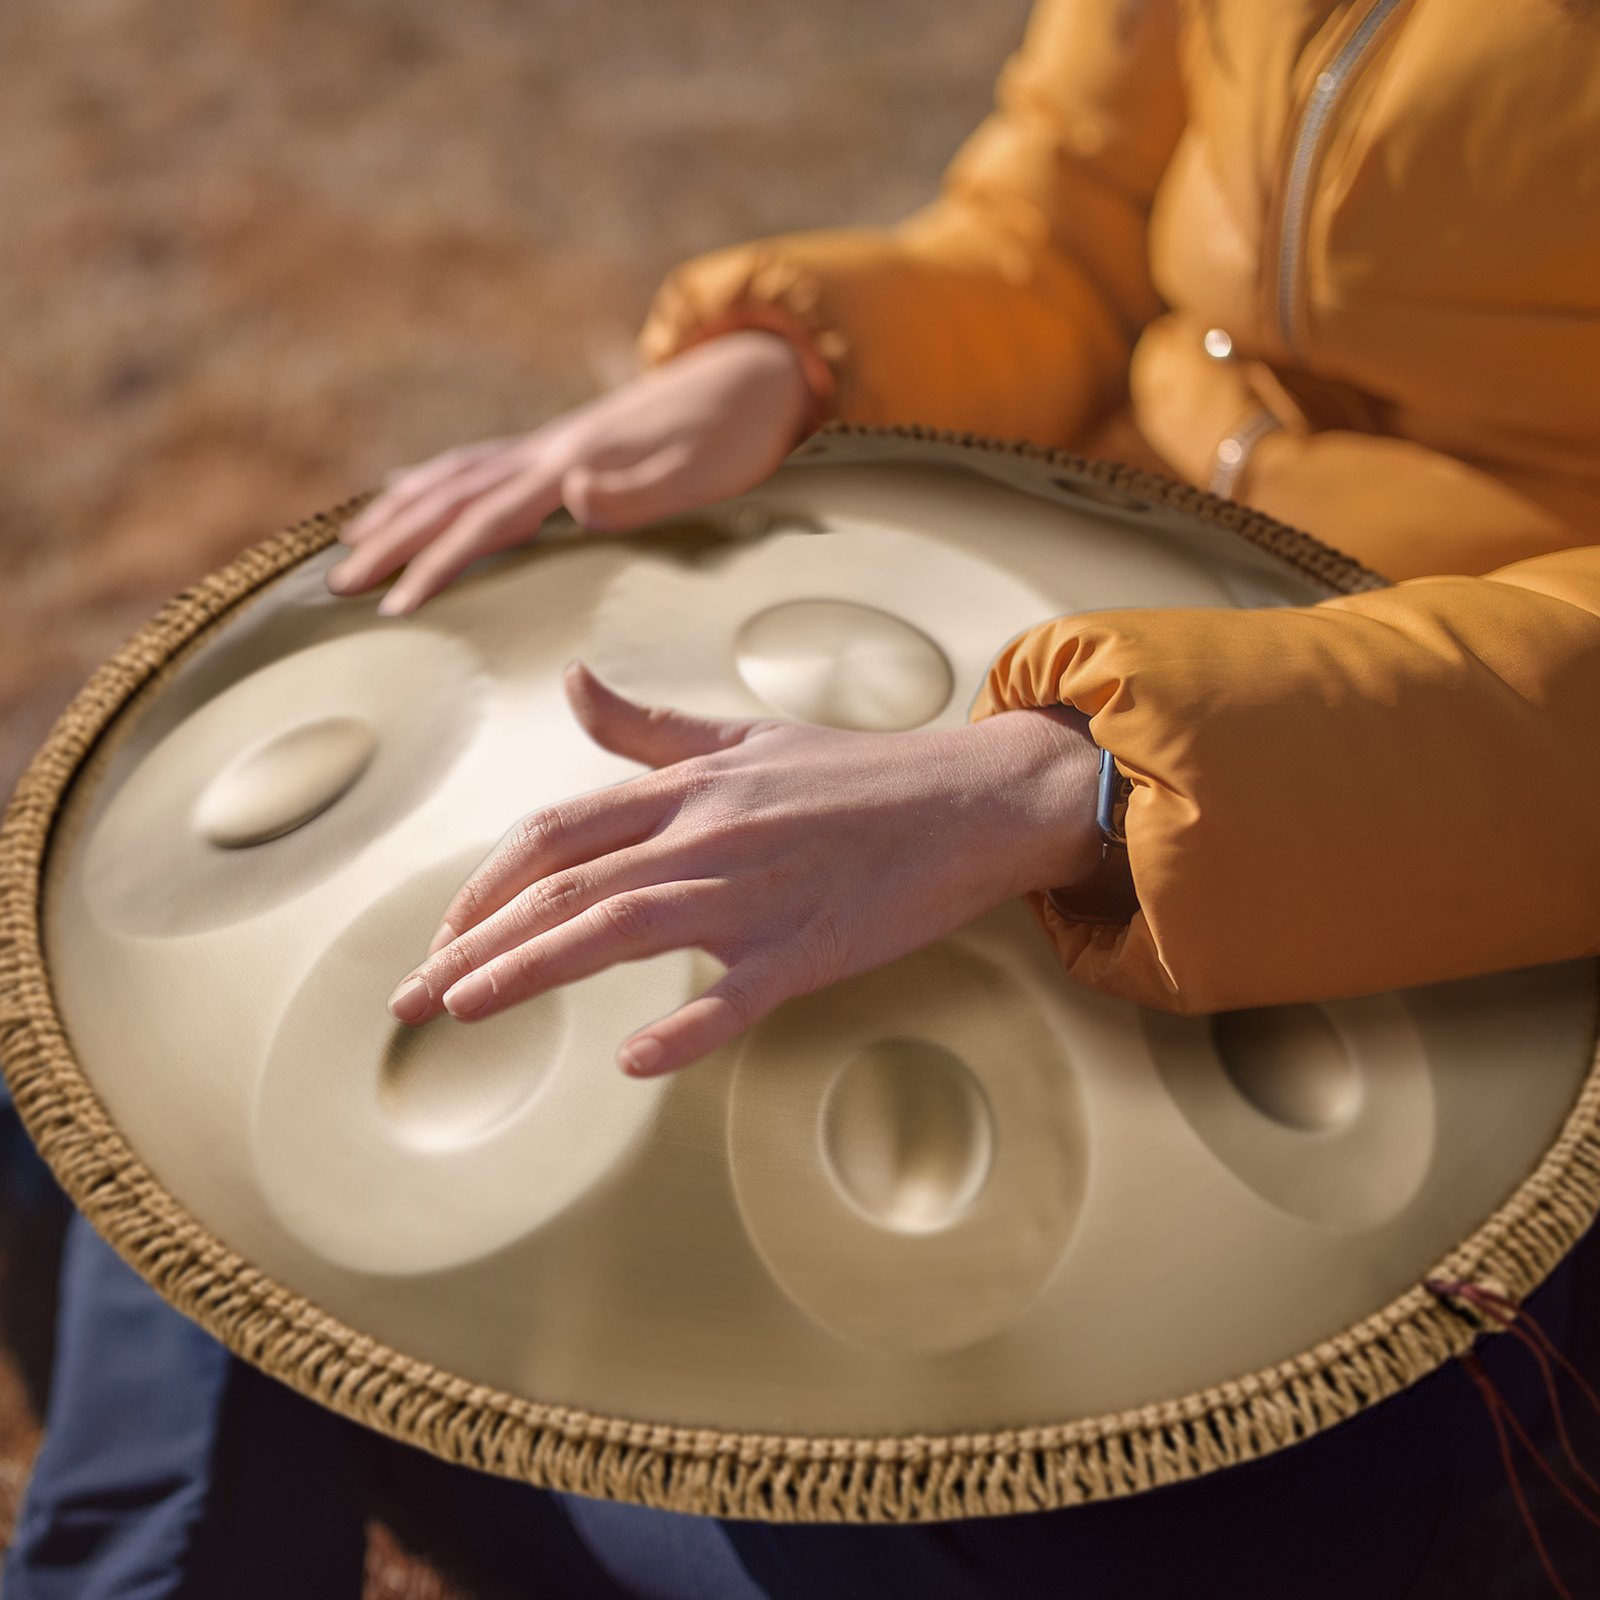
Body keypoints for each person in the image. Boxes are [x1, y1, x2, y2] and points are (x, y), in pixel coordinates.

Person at [8, 2, 1600, 1595]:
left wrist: (1093, 776)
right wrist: (783, 360)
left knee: (876, 1454)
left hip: (1463, 861)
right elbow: (1070, 229)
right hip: (1099, 627)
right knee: (229, 1034)